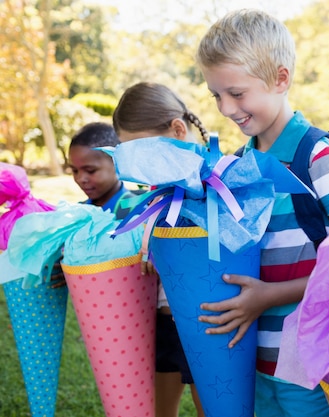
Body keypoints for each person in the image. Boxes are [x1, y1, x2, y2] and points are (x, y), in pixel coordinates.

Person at [195, 9, 329, 417]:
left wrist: (269, 296)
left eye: (237, 93)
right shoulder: (234, 166)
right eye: (216, 95)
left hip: (313, 363)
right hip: (254, 356)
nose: (226, 108)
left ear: (280, 79)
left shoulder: (321, 157)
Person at [112, 81, 208, 417]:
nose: (136, 165)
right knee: (156, 409)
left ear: (178, 130)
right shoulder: (156, 189)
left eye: (141, 151)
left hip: (204, 324)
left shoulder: (214, 181)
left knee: (211, 406)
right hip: (161, 320)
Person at [68, 122, 141, 219]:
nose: (80, 179)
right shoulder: (77, 212)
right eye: (75, 171)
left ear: (118, 163)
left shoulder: (138, 214)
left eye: (90, 171)